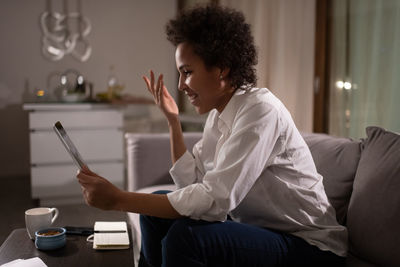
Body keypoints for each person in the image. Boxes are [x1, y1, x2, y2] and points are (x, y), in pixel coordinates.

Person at [77, 4, 347, 267]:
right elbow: (191, 182)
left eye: (187, 72)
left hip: (309, 246)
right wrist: (173, 122)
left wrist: (118, 199)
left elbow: (215, 200)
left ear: (221, 68)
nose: (181, 84)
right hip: (260, 231)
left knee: (186, 238)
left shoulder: (260, 111)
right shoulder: (220, 114)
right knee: (153, 214)